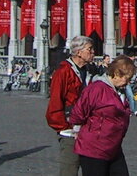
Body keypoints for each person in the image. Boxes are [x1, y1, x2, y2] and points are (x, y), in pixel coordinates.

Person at [70, 55, 136, 176]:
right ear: (116, 73)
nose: (128, 82)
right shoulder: (97, 89)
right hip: (94, 148)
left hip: (113, 147)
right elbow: (79, 111)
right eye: (126, 78)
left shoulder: (119, 91)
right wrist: (77, 130)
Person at [46, 35, 95, 176]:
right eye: (90, 49)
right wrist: (65, 128)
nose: (93, 53)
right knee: (70, 169)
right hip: (70, 130)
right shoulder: (63, 72)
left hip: (88, 129)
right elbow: (55, 103)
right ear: (79, 52)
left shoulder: (89, 70)